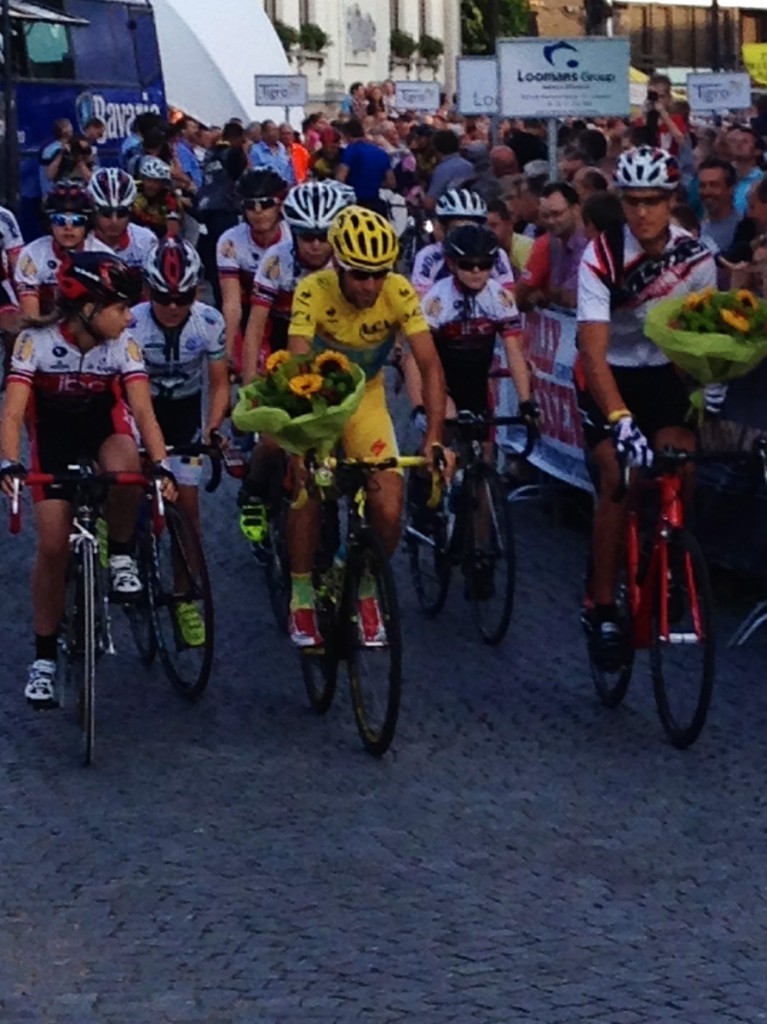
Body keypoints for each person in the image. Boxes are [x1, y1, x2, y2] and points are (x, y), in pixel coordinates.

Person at [0, 252, 175, 706]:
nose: (128, 316)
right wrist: (10, 463)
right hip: (53, 435)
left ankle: (120, 556)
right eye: (119, 307)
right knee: (54, 544)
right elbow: (14, 411)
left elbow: (142, 411)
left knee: (126, 468)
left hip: (102, 425)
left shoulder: (123, 344)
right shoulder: (34, 343)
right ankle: (43, 659)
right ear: (87, 309)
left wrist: (162, 464)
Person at [575, 146, 716, 667]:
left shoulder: (696, 258)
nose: (642, 213)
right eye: (632, 202)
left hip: (660, 374)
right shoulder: (601, 256)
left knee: (683, 462)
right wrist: (619, 419)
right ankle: (605, 604)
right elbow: (591, 351)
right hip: (607, 375)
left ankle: (673, 559)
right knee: (619, 475)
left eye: (653, 201)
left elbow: (700, 336)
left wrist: (710, 383)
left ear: (671, 200)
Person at [285, 206, 447, 648]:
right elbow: (298, 364)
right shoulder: (311, 290)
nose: (370, 285)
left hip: (366, 400)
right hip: (317, 400)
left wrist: (434, 437)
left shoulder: (399, 291)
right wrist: (303, 444)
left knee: (390, 505)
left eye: (379, 273)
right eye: (359, 275)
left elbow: (430, 365)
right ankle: (300, 596)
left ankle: (361, 581)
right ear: (337, 264)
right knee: (308, 490)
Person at [238, 181, 353, 551]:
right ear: (294, 232)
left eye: (323, 235)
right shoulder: (276, 260)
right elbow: (256, 325)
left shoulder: (347, 264)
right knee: (273, 438)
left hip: (329, 350)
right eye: (306, 236)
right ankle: (254, 491)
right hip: (281, 352)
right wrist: (250, 381)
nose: (316, 244)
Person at [132, 239, 229, 644]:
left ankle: (185, 596)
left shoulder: (208, 322)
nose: (173, 306)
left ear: (198, 292)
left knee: (186, 509)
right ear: (147, 291)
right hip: (140, 411)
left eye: (183, 297)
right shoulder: (132, 323)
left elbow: (220, 384)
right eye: (163, 297)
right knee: (137, 488)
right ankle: (123, 531)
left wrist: (211, 430)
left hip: (185, 415)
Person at [216, 168, 290, 372]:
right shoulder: (230, 241)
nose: (258, 212)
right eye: (250, 205)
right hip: (254, 317)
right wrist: (228, 352)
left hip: (292, 315)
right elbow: (231, 304)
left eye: (266, 204)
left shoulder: (293, 238)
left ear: (279, 206)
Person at [15, 180, 112, 318]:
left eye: (77, 220)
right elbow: (31, 318)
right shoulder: (31, 254)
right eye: (59, 220)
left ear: (88, 223)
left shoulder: (104, 256)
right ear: (49, 222)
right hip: (44, 329)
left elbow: (108, 316)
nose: (68, 228)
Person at [412, 189, 514, 297]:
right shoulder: (429, 255)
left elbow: (509, 297)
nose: (465, 235)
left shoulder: (496, 254)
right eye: (458, 229)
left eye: (471, 228)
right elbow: (420, 301)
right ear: (444, 229)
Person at [196, 120, 250, 306]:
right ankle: (228, 301)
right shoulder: (234, 154)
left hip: (205, 209)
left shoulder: (210, 154)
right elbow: (240, 178)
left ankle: (221, 299)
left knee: (213, 260)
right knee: (227, 257)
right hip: (225, 210)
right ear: (238, 138)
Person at [516, 181, 588, 311]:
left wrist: (545, 295)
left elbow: (570, 297)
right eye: (545, 216)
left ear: (575, 210)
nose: (550, 221)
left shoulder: (588, 243)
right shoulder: (554, 242)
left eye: (557, 214)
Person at [87, 168, 157, 282]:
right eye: (106, 213)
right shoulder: (81, 244)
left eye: (121, 213)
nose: (114, 221)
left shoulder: (146, 241)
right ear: (94, 212)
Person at [336, 119, 395, 215]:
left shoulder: (350, 151)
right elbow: (391, 183)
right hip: (375, 205)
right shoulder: (381, 152)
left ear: (346, 135)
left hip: (355, 205)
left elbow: (340, 178)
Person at [131, 157, 182, 240]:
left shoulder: (170, 199)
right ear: (143, 179)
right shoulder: (132, 189)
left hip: (159, 237)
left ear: (163, 183)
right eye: (149, 180)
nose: (151, 185)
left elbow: (172, 231)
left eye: (156, 181)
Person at [423, 130, 474, 211]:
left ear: (436, 150)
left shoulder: (442, 169)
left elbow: (430, 203)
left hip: (450, 215)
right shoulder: (470, 166)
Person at [697, 157, 739, 257]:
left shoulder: (741, 230)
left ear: (731, 189)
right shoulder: (698, 228)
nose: (707, 191)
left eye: (714, 185)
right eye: (702, 185)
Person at [486, 198, 533, 274]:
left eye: (494, 225)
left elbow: (529, 281)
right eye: (486, 227)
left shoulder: (523, 246)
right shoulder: (491, 250)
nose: (489, 231)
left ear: (509, 224)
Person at [730, 126, 764, 217]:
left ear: (757, 151)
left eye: (745, 142)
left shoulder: (761, 181)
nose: (739, 144)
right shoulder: (726, 175)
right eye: (736, 141)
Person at [250, 120, 295, 186]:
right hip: (268, 191)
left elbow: (288, 169)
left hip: (286, 190)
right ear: (264, 133)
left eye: (277, 130)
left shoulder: (282, 147)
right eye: (273, 130)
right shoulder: (256, 150)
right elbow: (255, 173)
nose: (276, 133)